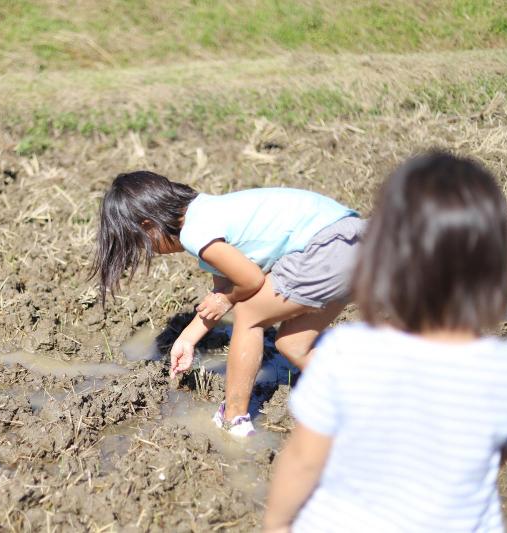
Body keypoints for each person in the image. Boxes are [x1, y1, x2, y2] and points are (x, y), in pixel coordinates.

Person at [262, 151, 507, 532]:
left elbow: (305, 458)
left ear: (382, 261)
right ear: (497, 267)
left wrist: (276, 524)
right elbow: (498, 452)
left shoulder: (345, 352)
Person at [91, 171, 364, 436]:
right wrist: (188, 338)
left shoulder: (195, 234)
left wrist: (228, 299)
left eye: (142, 245)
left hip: (328, 245)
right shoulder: (208, 211)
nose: (150, 252)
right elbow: (223, 287)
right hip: (357, 243)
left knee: (249, 314)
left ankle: (233, 419)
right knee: (292, 345)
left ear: (149, 226)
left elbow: (249, 281)